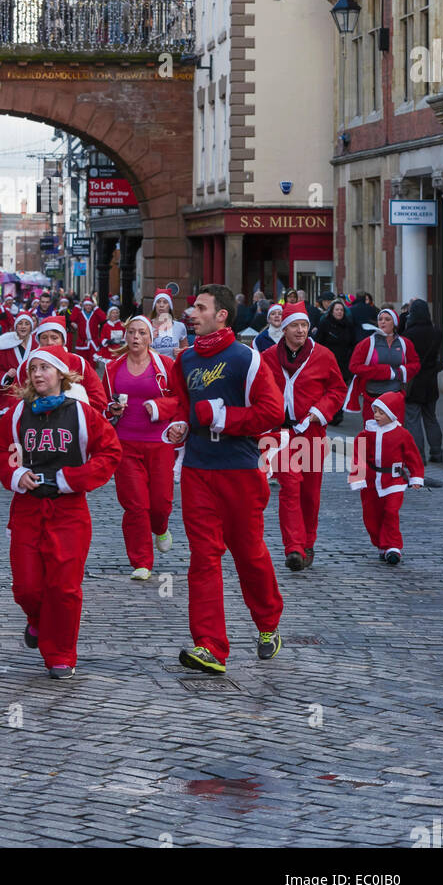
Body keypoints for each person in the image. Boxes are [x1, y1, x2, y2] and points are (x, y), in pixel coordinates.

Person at [159, 284, 285, 675]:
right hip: (197, 469)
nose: (191, 313)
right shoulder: (186, 359)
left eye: (200, 307)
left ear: (222, 315)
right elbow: (181, 403)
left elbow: (272, 412)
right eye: (192, 307)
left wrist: (225, 418)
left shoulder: (246, 358)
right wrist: (180, 423)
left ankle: (268, 624)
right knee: (203, 557)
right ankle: (210, 646)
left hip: (240, 470)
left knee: (249, 553)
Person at [0, 345, 120, 678]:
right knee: (27, 587)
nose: (38, 374)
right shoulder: (18, 413)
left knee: (64, 587)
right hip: (28, 508)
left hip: (69, 509)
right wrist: (16, 474)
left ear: (61, 373)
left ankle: (61, 653)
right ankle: (36, 619)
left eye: (45, 368)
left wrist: (71, 479)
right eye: (33, 369)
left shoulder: (81, 413)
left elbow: (110, 451)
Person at [261, 302, 347, 573]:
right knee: (289, 486)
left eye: (304, 325)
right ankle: (293, 548)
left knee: (309, 492)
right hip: (281, 434)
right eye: (295, 325)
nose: (300, 330)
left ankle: (307, 543)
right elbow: (257, 389)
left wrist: (317, 413)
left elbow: (337, 390)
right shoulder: (267, 357)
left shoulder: (323, 355)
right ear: (283, 328)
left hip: (311, 432)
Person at [102, 316, 178, 581]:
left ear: (150, 338)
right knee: (135, 505)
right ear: (125, 336)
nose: (135, 337)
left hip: (160, 442)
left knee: (160, 503)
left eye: (141, 333)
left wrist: (159, 407)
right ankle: (141, 561)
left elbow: (180, 399)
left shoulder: (165, 365)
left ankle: (161, 527)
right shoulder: (113, 368)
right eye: (131, 332)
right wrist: (110, 409)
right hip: (124, 442)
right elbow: (101, 402)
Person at [348, 391, 425, 566]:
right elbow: (358, 456)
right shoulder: (367, 433)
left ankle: (393, 547)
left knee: (391, 511)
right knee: (371, 515)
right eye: (375, 411)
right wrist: (358, 476)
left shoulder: (402, 434)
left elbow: (413, 457)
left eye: (381, 413)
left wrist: (416, 477)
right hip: (371, 480)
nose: (376, 416)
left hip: (394, 480)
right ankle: (381, 544)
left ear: (392, 414)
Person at [17, 317, 109, 413]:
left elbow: (99, 399)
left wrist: (73, 405)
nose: (49, 342)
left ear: (63, 340)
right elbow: (17, 401)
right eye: (44, 338)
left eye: (54, 337)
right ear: (38, 341)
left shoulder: (78, 362)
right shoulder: (27, 366)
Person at [345, 307, 420, 416]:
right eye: (380, 319)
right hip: (372, 397)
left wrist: (401, 372)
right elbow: (354, 366)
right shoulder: (367, 343)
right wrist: (382, 372)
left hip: (395, 396)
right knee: (372, 432)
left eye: (387, 319)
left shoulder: (405, 343)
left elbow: (416, 364)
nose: (383, 322)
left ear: (394, 323)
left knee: (393, 432)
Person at [402, 299, 443, 463]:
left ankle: (419, 455)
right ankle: (437, 452)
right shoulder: (436, 332)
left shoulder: (408, 335)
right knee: (431, 417)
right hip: (431, 381)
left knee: (412, 418)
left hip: (414, 381)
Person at [314, 299, 355, 425]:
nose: (339, 312)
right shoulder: (325, 323)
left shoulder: (348, 325)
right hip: (327, 362)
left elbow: (353, 343)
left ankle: (337, 413)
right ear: (331, 311)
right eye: (337, 309)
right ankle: (327, 412)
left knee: (339, 389)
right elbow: (318, 342)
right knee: (327, 389)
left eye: (341, 310)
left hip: (343, 363)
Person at [0, 312, 35, 414]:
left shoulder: (37, 345)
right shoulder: (4, 346)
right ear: (15, 326)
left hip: (33, 396)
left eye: (27, 323)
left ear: (31, 327)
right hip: (9, 397)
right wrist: (6, 376)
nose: (23, 326)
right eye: (20, 323)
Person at [148, 289, 188, 358]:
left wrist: (181, 352)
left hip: (172, 367)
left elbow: (186, 348)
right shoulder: (146, 326)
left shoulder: (179, 326)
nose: (161, 305)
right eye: (158, 302)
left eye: (165, 302)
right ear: (155, 305)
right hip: (153, 367)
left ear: (170, 306)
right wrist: (149, 339)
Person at [69, 295, 106, 366]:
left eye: (90, 305)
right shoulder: (80, 314)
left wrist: (96, 307)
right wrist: (77, 306)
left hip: (93, 343)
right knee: (83, 363)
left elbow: (103, 318)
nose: (88, 307)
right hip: (82, 343)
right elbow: (72, 318)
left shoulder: (95, 314)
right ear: (84, 306)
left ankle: (91, 376)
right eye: (86, 305)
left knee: (92, 363)